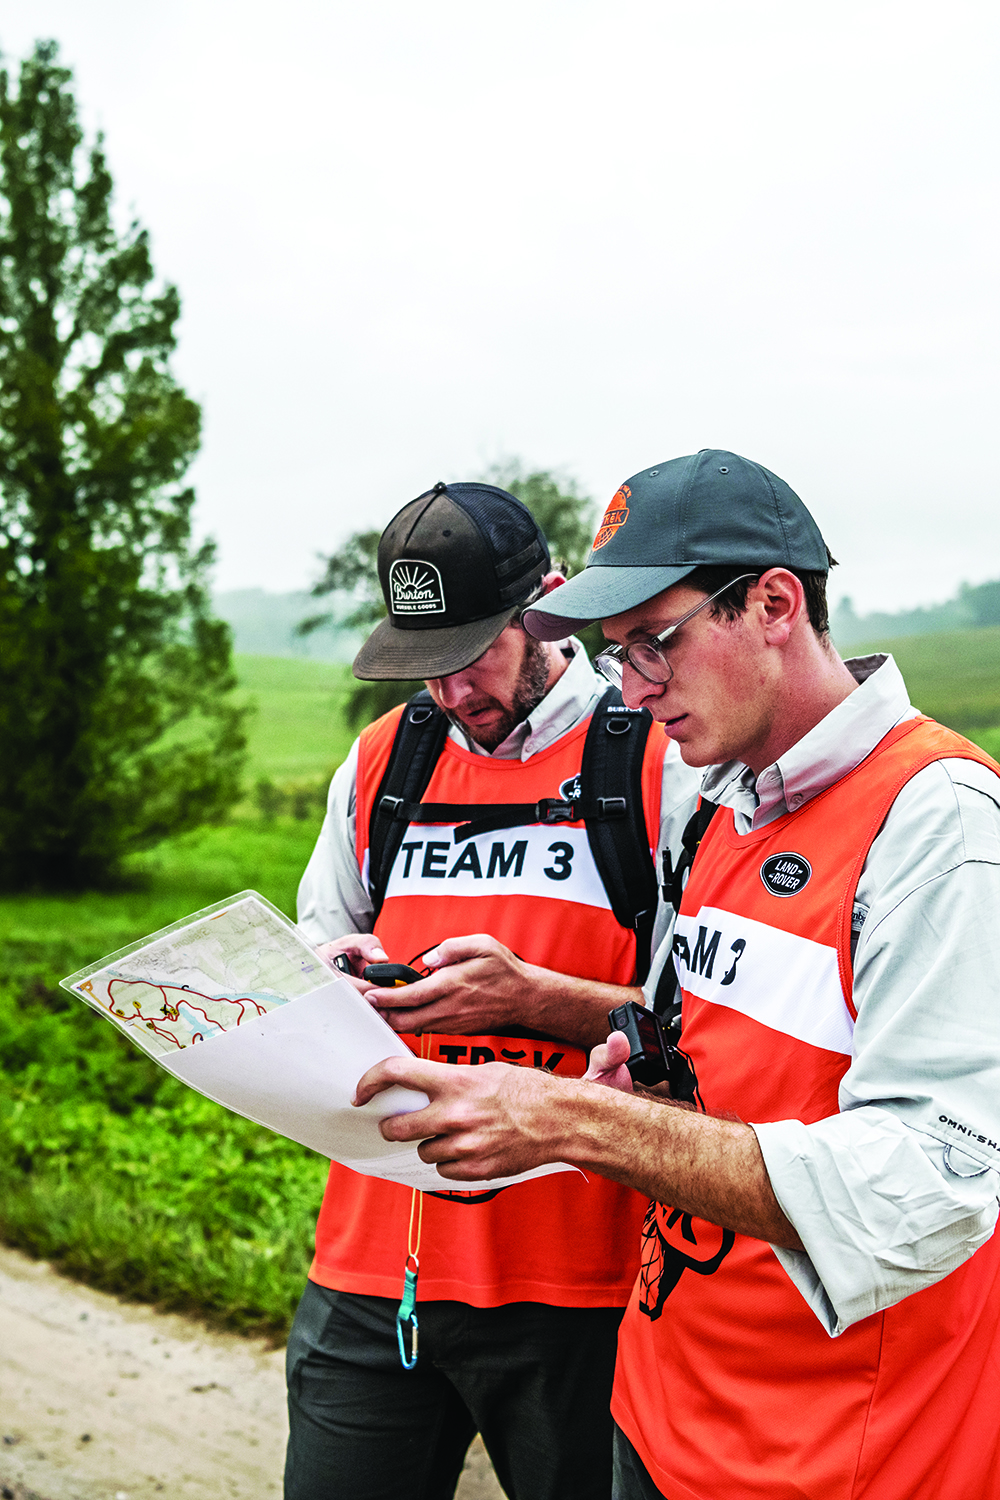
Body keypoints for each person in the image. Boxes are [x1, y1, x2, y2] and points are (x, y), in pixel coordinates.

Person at [356, 451, 1000, 1500]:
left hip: (833, 1450)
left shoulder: (935, 821)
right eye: (616, 657)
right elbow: (711, 1060)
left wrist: (572, 1120)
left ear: (775, 605)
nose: (636, 688)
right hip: (661, 1406)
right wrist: (640, 1069)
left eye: (654, 643)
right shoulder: (724, 803)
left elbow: (931, 1182)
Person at [286, 479, 701, 1500]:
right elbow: (318, 936)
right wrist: (330, 982)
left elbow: (709, 1022)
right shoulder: (386, 758)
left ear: (546, 609)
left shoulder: (660, 754)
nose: (448, 692)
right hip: (371, 1267)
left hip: (585, 1277)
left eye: (471, 654)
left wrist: (530, 999)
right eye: (422, 665)